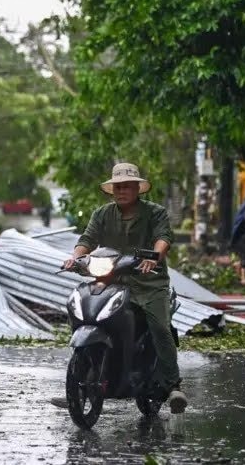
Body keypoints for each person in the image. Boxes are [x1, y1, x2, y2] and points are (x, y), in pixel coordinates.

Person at [51, 162, 187, 414]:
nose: (122, 190)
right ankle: (80, 383)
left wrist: (155, 257)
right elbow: (87, 240)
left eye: (127, 186)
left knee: (159, 325)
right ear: (111, 189)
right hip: (112, 280)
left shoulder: (155, 213)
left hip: (149, 283)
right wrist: (75, 257)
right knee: (86, 313)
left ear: (138, 188)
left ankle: (173, 385)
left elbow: (163, 238)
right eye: (117, 186)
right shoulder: (102, 214)